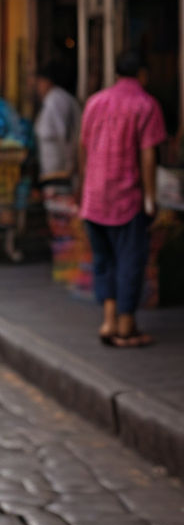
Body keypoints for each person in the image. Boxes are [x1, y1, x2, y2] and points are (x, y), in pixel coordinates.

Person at [79, 50, 166, 348]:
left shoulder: (94, 102)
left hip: (93, 197)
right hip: (125, 199)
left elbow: (84, 148)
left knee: (104, 261)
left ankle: (108, 321)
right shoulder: (146, 104)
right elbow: (148, 155)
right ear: (142, 74)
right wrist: (151, 199)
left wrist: (83, 188)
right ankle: (126, 326)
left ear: (116, 74)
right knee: (130, 260)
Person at [34, 62, 81, 185]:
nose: (38, 87)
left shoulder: (55, 99)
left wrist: (69, 163)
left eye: (39, 82)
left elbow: (63, 132)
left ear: (47, 82)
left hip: (58, 162)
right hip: (56, 161)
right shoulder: (58, 97)